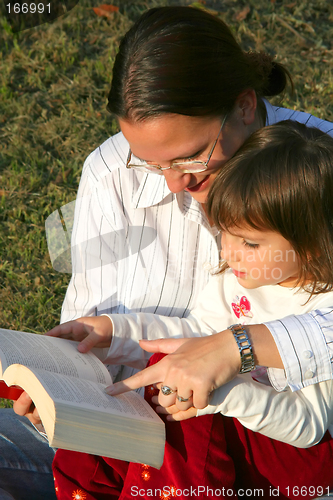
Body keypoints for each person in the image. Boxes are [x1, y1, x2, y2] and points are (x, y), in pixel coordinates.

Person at [9, 5, 333, 499]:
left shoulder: (318, 176)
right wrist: (76, 372)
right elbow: (178, 335)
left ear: (245, 107)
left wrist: (234, 351)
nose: (175, 183)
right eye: (150, 162)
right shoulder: (111, 173)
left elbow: (301, 417)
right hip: (148, 433)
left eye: (191, 155)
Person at [51, 120, 333, 499]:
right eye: (225, 232)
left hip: (296, 465)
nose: (230, 251)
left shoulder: (322, 309)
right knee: (108, 421)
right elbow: (197, 333)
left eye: (249, 242)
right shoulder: (237, 278)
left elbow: (309, 426)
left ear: (312, 245)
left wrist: (219, 390)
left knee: (182, 390)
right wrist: (114, 335)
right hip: (236, 441)